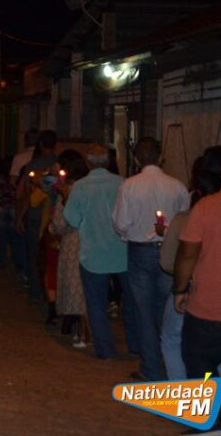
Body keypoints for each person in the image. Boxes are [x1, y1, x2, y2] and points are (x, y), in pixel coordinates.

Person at [112, 137, 189, 381]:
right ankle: (170, 364)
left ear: (136, 159)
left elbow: (121, 223)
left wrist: (127, 235)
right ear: (161, 157)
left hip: (140, 251)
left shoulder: (129, 186)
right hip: (170, 251)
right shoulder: (178, 186)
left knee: (143, 311)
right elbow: (184, 221)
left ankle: (151, 368)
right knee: (164, 310)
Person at [173, 142, 221, 436]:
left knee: (202, 363)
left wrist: (180, 289)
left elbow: (188, 254)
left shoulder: (207, 207)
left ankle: (212, 418)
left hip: (210, 306)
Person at [65, 145, 138, 360]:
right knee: (131, 301)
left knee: (96, 303)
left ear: (88, 163)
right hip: (123, 251)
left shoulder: (80, 187)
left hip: (94, 253)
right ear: (108, 161)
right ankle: (135, 344)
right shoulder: (123, 183)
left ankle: (105, 349)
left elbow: (71, 218)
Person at [158, 164, 221, 380]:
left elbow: (169, 261)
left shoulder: (184, 219)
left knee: (172, 339)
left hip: (190, 289)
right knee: (219, 348)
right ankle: (218, 390)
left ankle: (181, 388)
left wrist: (181, 286)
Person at [50, 150, 89, 347]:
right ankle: (81, 329)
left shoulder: (69, 190)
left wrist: (52, 228)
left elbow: (61, 222)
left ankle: (83, 331)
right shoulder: (90, 188)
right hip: (92, 241)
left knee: (75, 288)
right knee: (86, 288)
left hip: (73, 242)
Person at [16, 129, 58, 305]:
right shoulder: (59, 164)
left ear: (40, 144)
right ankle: (53, 293)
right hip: (54, 216)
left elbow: (26, 195)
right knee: (53, 257)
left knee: (34, 255)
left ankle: (36, 292)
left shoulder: (32, 167)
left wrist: (20, 217)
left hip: (35, 215)